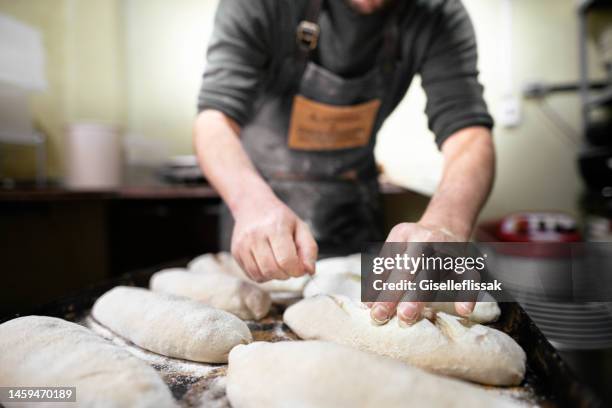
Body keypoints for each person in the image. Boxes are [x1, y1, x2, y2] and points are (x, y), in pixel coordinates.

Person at [194, 0, 495, 326]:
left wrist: (447, 223)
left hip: (354, 218)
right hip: (260, 217)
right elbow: (214, 119)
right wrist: (251, 201)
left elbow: (468, 134)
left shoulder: (438, 13)